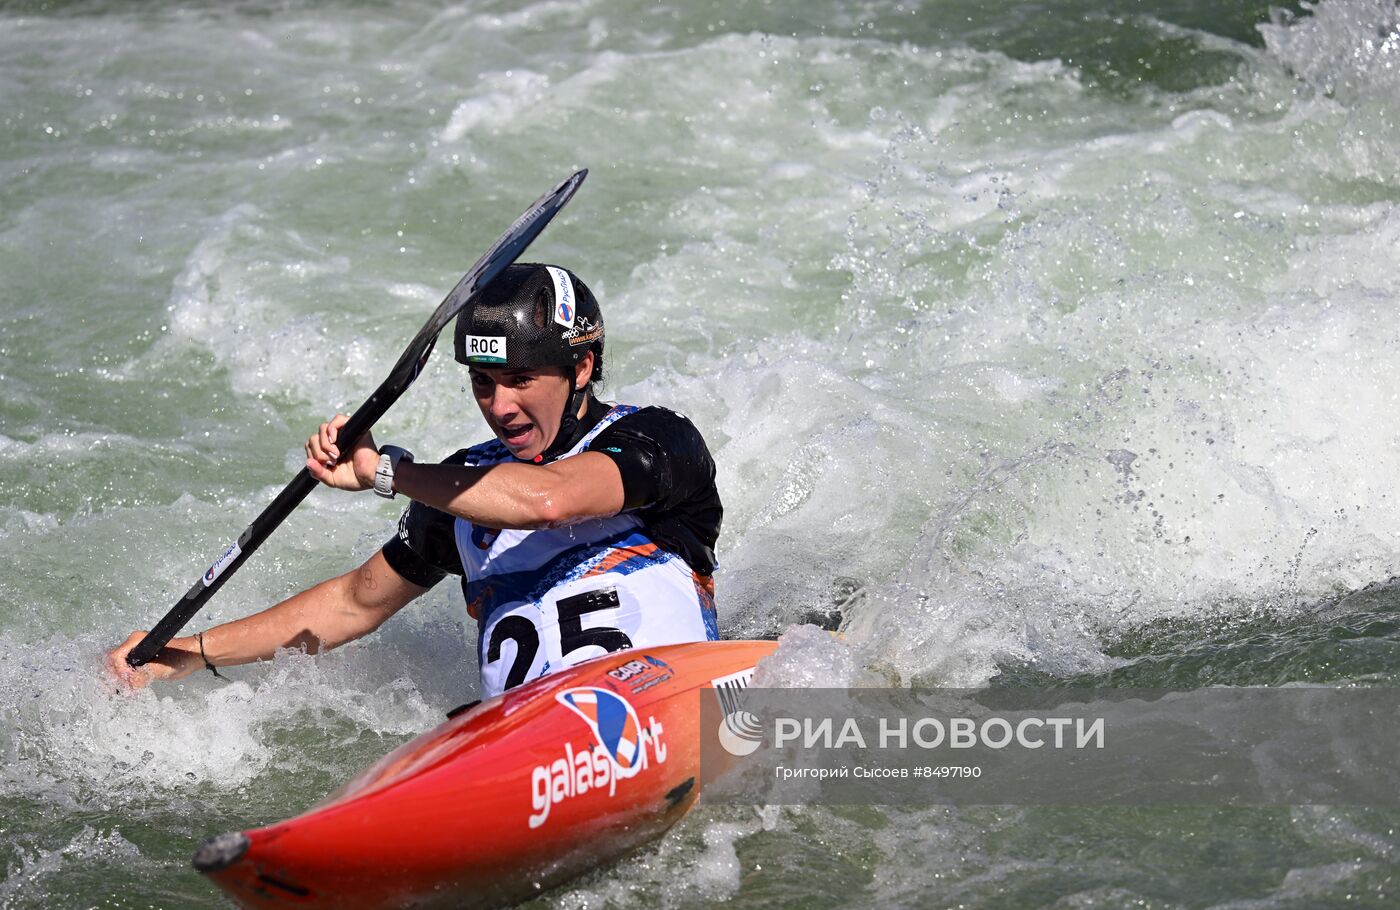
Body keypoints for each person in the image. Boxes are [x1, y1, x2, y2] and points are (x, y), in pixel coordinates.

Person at [106, 263, 721, 697]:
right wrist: (190, 653)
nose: (500, 405)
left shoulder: (657, 441)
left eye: (521, 379)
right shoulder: (461, 490)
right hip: (530, 742)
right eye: (483, 381)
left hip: (666, 700)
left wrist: (387, 472)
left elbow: (551, 499)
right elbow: (354, 603)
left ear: (581, 366)